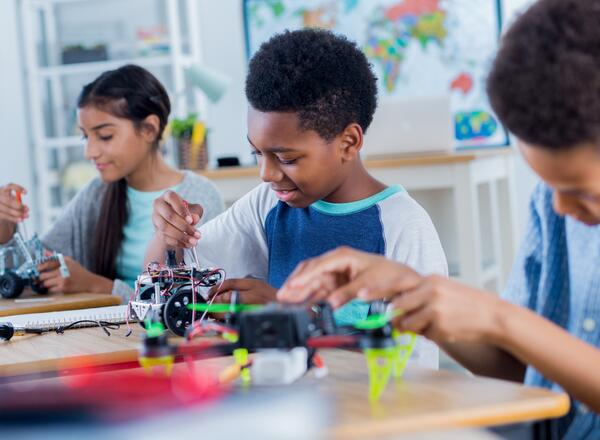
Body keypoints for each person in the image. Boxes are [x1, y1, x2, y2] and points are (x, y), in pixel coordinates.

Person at [278, 0, 600, 437]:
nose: (561, 208)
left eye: (582, 191)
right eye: (550, 184)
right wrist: (418, 295)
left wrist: (501, 319)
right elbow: (529, 376)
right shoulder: (552, 206)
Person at [147, 29, 447, 369]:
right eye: (256, 152)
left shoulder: (403, 228)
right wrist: (168, 234)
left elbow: (415, 375)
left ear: (348, 142)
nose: (266, 173)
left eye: (286, 158)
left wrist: (298, 320)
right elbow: (167, 283)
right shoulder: (268, 204)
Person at [0, 64, 223, 301]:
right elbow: (29, 271)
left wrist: (97, 286)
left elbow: (196, 301)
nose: (90, 152)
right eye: (85, 136)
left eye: (105, 136)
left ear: (149, 128)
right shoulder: (96, 194)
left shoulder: (199, 196)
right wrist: (5, 229)